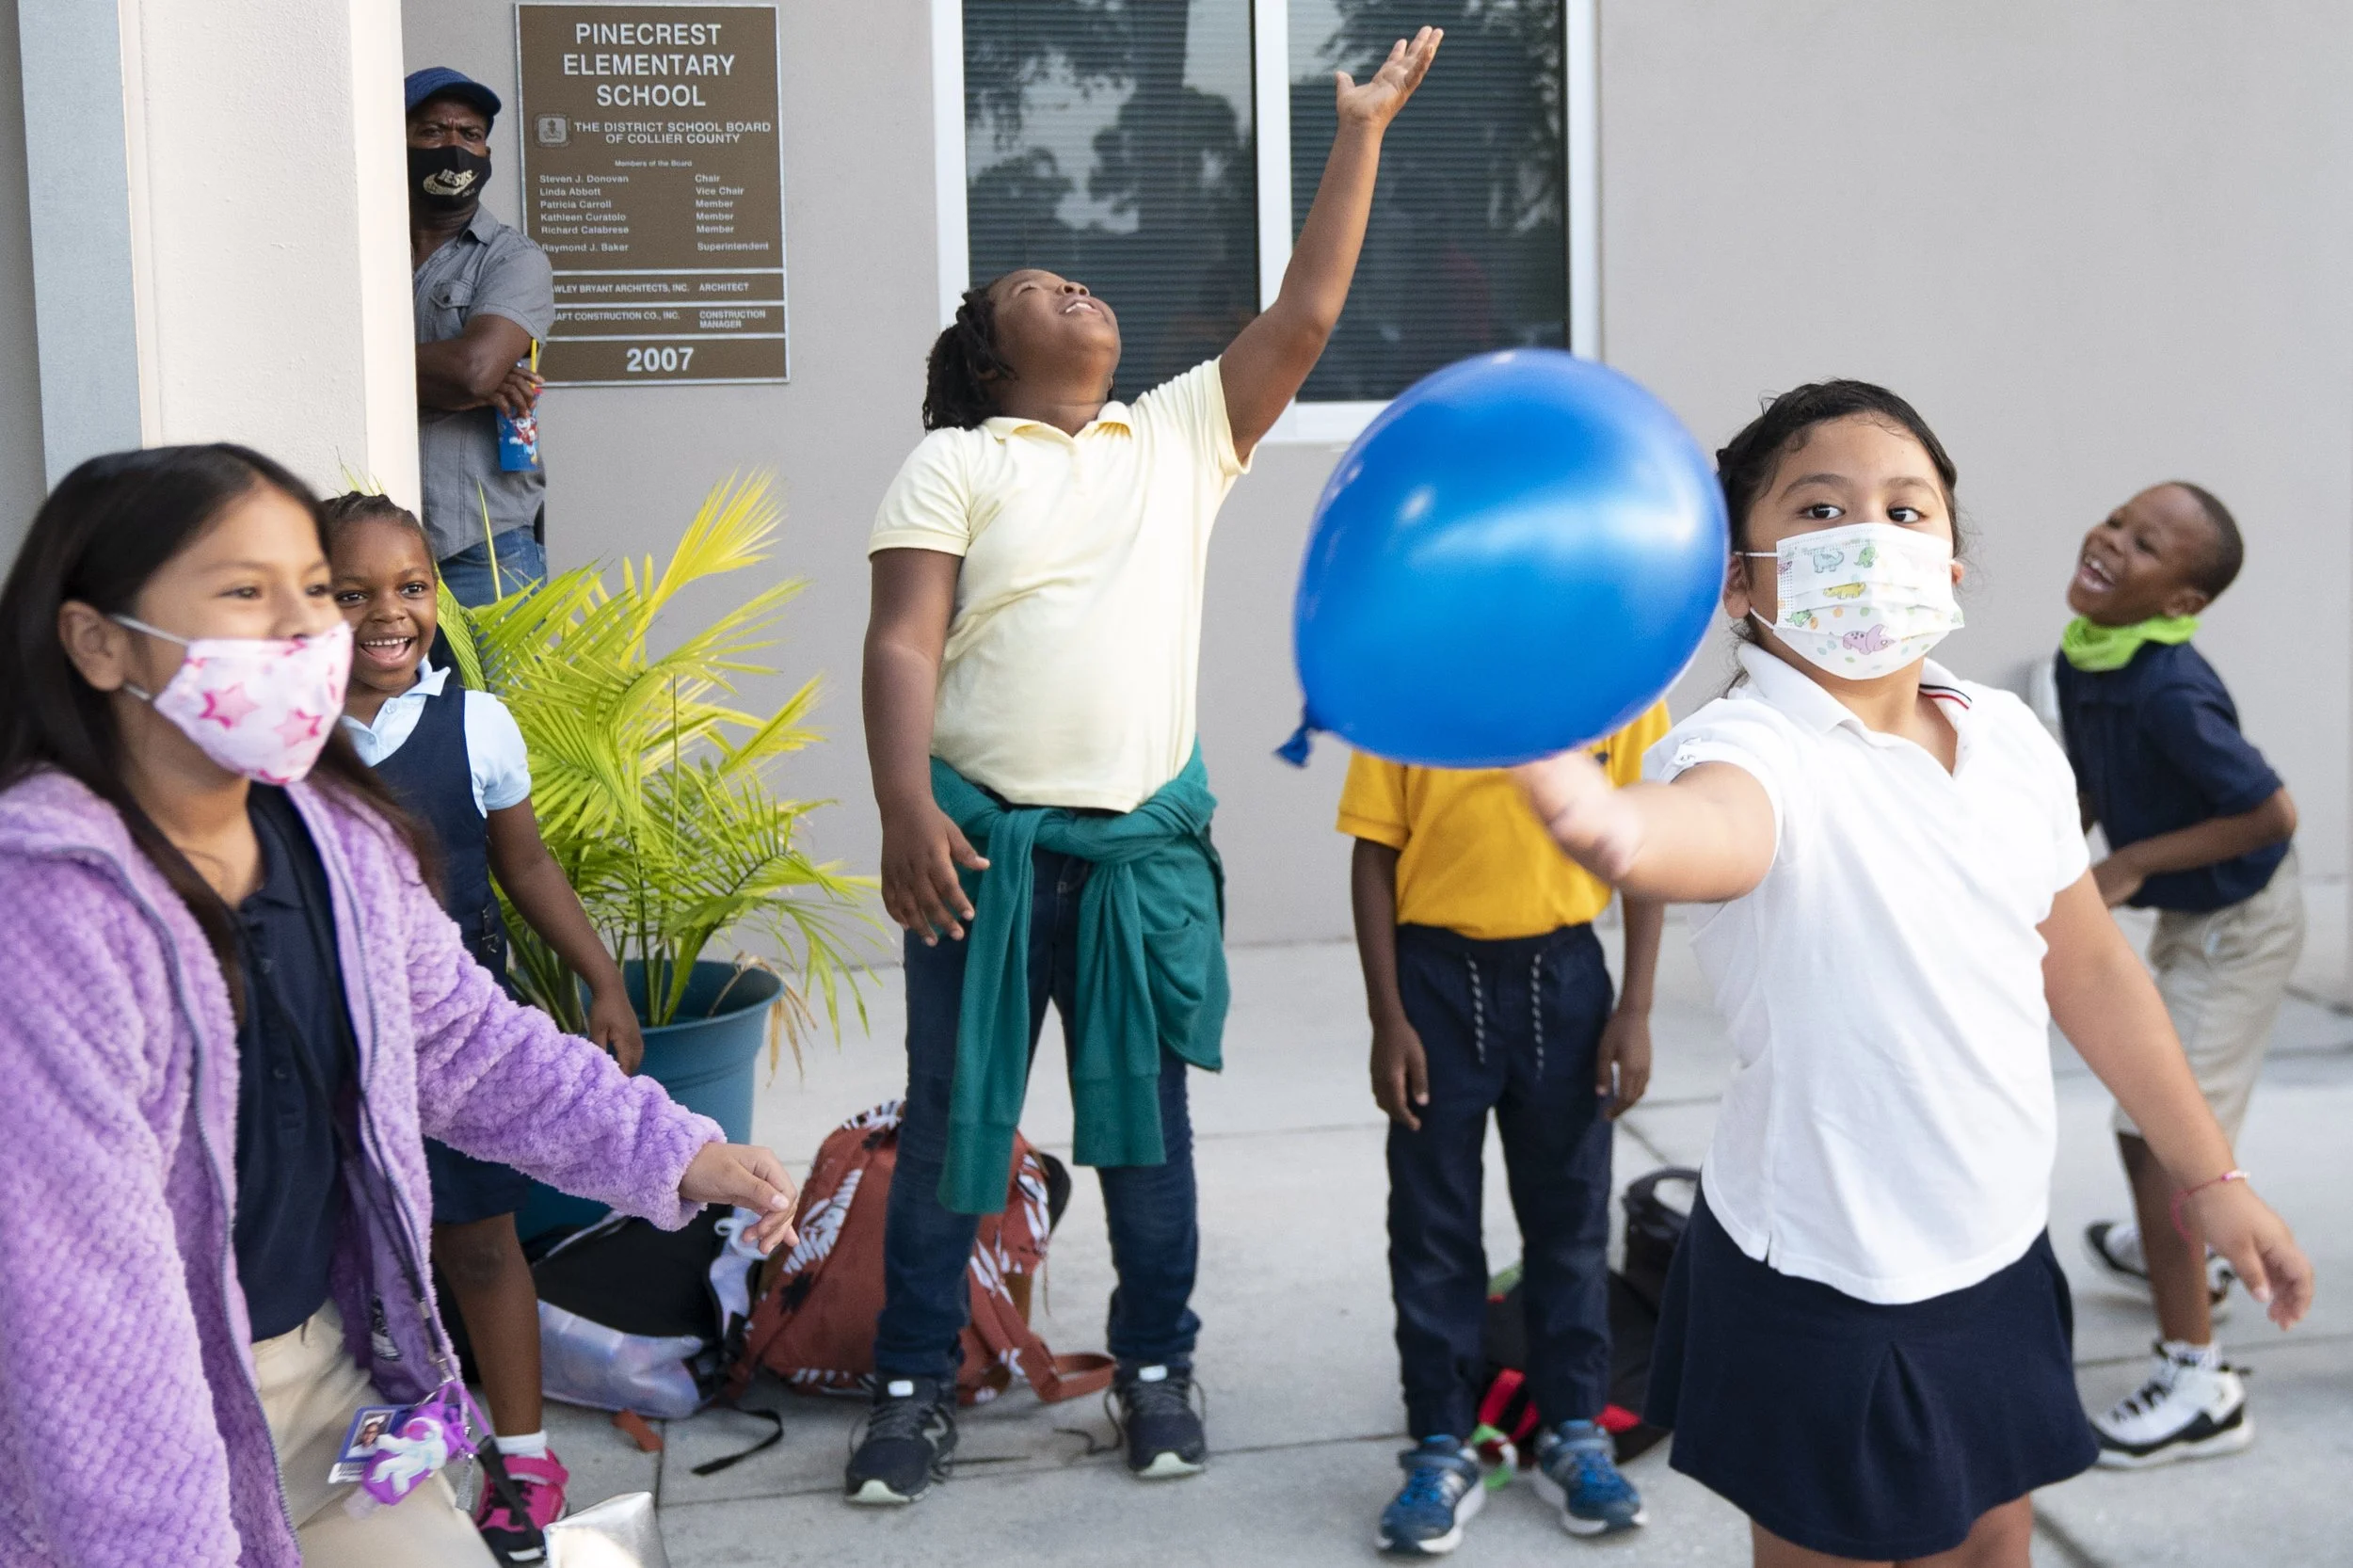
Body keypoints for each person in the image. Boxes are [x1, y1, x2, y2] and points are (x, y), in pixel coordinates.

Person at [1510, 381, 2313, 1568]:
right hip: (1822, 1287)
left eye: (1905, 508)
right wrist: (1589, 805)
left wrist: (2212, 1176)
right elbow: (1687, 834)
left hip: (1992, 1252)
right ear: (1741, 579)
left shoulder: (2005, 737)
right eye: (1821, 510)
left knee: (1993, 1540)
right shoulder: (1747, 750)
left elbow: (2088, 967)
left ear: (1948, 557)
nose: (1869, 538)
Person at [0, 445, 800, 1567]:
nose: (305, 628)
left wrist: (673, 1152)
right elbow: (82, 1328)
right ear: (97, 641)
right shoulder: (44, 909)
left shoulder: (335, 838)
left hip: (328, 1385)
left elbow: (464, 1041)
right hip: (132, 1440)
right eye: (245, 591)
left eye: (311, 591)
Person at [850, 25, 1442, 1506]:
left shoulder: (1171, 435)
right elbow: (905, 643)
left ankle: (1158, 1367)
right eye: (1035, 286)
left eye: (1078, 275)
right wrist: (904, 803)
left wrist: (1358, 129)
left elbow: (1304, 318)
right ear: (995, 353)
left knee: (1147, 1138)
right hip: (980, 856)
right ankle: (915, 1382)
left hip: (1136, 863)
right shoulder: (958, 460)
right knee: (948, 1130)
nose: (1073, 280)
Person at [325, 491, 648, 1560]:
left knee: (479, 1243)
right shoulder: (292, 737)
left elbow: (526, 865)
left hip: (457, 1045)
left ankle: (522, 1458)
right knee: (365, 1256)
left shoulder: (477, 723)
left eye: (411, 587)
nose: (389, 612)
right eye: (353, 590)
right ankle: (390, 1460)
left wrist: (598, 977)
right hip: (331, 1048)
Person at [1340, 704, 1668, 1552]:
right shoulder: (1412, 684)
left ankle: (1575, 1432)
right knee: (1431, 1225)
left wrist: (1633, 1007)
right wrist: (1389, 1017)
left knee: (1570, 1222)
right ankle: (1443, 1445)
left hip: (1565, 982)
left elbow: (1644, 850)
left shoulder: (1615, 681)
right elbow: (1374, 852)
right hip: (1433, 982)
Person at [2053, 481, 2302, 1468]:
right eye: (2114, 518)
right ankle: (2189, 1262)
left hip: (2239, 923)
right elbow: (2089, 777)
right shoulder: (2091, 652)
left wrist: (2134, 862)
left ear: (2179, 604)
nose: (2109, 540)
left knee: (2162, 1135)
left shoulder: (2168, 687)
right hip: (2194, 915)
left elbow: (2270, 815)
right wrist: (2052, 863)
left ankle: (2199, 1382)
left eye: (2144, 544)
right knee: (2145, 1114)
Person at [406, 67, 552, 608]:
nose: (454, 148)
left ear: (486, 154)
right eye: (433, 132)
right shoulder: (363, 257)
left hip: (485, 553)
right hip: (369, 550)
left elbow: (474, 370)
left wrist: (473, 379)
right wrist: (465, 383)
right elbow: (320, 370)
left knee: (491, 698)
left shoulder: (515, 259)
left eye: (469, 135)